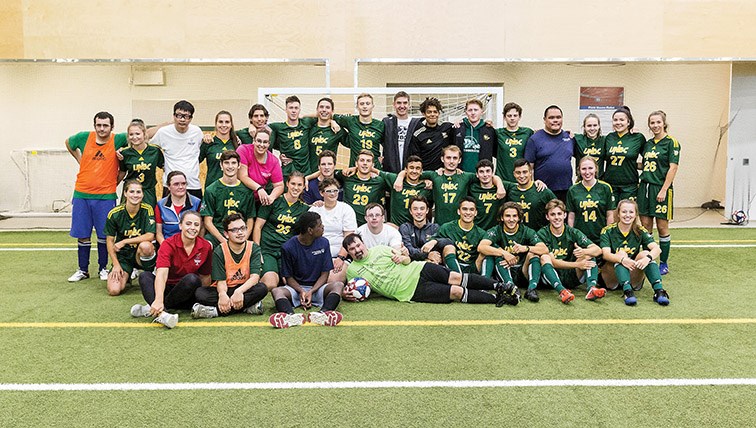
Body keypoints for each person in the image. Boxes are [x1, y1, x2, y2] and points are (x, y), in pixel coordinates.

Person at [343, 234, 518, 306]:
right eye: (352, 249)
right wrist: (346, 295)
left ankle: (500, 286)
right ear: (349, 252)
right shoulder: (352, 271)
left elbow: (406, 259)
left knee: (457, 277)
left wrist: (403, 258)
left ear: (363, 243)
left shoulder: (380, 249)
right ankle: (497, 298)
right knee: (456, 292)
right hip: (410, 291)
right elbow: (350, 290)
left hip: (419, 269)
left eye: (358, 245)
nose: (357, 250)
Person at [65, 111, 129, 282]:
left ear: (112, 127)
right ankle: (83, 270)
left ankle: (103, 268)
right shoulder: (83, 137)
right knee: (82, 233)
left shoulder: (118, 139)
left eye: (105, 125)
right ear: (94, 126)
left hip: (106, 197)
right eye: (98, 125)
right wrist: (80, 159)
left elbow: (141, 133)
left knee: (104, 234)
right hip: (82, 194)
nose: (102, 129)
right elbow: (68, 143)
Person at [131, 210, 212, 329]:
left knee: (192, 279)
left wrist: (203, 298)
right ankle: (162, 312)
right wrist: (158, 299)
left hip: (187, 292)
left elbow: (205, 276)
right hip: (166, 288)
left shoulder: (206, 246)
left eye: (196, 225)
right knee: (145, 276)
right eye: (188, 223)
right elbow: (162, 274)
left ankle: (152, 309)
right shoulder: (168, 244)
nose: (192, 228)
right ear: (180, 225)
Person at [395, 145, 505, 226]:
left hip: (460, 225)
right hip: (439, 225)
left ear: (459, 160)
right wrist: (400, 177)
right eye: (448, 158)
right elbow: (413, 172)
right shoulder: (434, 175)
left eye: (455, 158)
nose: (451, 161)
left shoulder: (466, 176)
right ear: (442, 159)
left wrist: (499, 185)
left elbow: (487, 176)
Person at [270, 212, 345, 328]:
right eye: (320, 226)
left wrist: (311, 291)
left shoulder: (324, 242)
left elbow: (325, 274)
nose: (323, 227)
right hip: (296, 289)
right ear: (310, 230)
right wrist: (301, 291)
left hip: (317, 287)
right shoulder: (288, 247)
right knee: (277, 291)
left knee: (338, 285)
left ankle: (323, 314)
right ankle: (290, 316)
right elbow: (288, 278)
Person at [191, 213, 268, 318]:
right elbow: (220, 281)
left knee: (262, 288)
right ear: (226, 234)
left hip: (244, 288)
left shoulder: (253, 248)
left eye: (242, 228)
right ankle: (247, 307)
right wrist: (222, 295)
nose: (240, 233)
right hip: (225, 288)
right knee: (200, 293)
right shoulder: (219, 251)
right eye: (235, 230)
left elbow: (254, 277)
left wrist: (239, 291)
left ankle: (214, 312)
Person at [600, 199, 670, 306]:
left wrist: (648, 258)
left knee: (645, 254)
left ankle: (659, 291)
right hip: (611, 278)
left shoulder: (640, 230)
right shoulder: (608, 230)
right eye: (624, 212)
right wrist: (622, 259)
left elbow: (657, 249)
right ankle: (627, 292)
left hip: (632, 275)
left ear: (636, 214)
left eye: (631, 212)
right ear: (618, 213)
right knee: (622, 253)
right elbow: (606, 254)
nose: (627, 215)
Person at [536, 199, 604, 303]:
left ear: (565, 215)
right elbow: (553, 262)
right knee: (545, 258)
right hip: (552, 276)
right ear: (547, 217)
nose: (556, 217)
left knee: (589, 255)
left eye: (559, 214)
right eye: (552, 214)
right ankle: (562, 291)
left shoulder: (573, 232)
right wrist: (578, 264)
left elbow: (598, 250)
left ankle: (592, 288)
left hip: (571, 276)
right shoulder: (542, 233)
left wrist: (584, 252)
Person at [638, 111, 680, 275]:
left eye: (658, 122)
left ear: (664, 123)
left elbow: (673, 167)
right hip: (645, 187)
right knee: (645, 227)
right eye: (652, 123)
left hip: (660, 188)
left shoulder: (671, 143)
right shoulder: (648, 144)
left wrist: (664, 189)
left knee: (662, 227)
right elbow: (647, 164)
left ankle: (663, 262)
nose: (655, 125)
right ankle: (648, 259)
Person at [252, 172, 310, 290]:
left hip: (286, 252)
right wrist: (257, 252)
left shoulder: (305, 209)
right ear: (287, 184)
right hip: (268, 249)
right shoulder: (273, 201)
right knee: (271, 283)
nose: (296, 187)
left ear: (304, 187)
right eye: (293, 183)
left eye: (299, 185)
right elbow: (257, 226)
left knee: (291, 281)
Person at [478, 202, 549, 296]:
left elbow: (544, 249)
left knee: (533, 254)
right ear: (502, 218)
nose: (511, 219)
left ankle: (531, 289)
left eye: (514, 216)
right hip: (504, 270)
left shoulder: (526, 231)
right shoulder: (496, 230)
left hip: (522, 271)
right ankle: (509, 286)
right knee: (493, 253)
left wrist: (526, 248)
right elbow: (481, 247)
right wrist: (504, 253)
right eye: (507, 216)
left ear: (519, 218)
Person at [104, 180, 156, 296]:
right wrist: (116, 264)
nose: (135, 195)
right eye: (131, 191)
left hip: (140, 253)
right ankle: (126, 276)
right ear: (125, 194)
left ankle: (149, 276)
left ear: (142, 194)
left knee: (146, 246)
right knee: (114, 290)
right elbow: (110, 241)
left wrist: (124, 241)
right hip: (124, 256)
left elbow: (150, 235)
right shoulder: (114, 214)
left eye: (138, 192)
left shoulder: (147, 210)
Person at [200, 150, 257, 247]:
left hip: (239, 233)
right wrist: (223, 241)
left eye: (233, 163)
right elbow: (208, 221)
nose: (230, 166)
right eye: (226, 163)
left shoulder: (247, 191)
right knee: (206, 245)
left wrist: (243, 239)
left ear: (239, 165)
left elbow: (250, 220)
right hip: (218, 234)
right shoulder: (211, 190)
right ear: (221, 166)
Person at [150, 100, 204, 199]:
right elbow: (145, 140)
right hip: (170, 185)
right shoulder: (163, 132)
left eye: (186, 116)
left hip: (192, 184)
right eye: (179, 115)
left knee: (195, 214)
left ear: (191, 118)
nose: (182, 119)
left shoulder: (197, 132)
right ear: (174, 116)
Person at [524, 105, 575, 202]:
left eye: (558, 117)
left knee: (563, 217)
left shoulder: (569, 138)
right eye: (551, 118)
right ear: (544, 120)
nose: (555, 120)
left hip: (566, 190)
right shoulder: (535, 139)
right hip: (543, 190)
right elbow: (528, 168)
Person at [423, 197, 488, 274]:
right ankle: (458, 277)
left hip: (472, 268)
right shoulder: (447, 228)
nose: (468, 212)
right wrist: (433, 242)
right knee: (449, 247)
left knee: (486, 251)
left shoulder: (481, 233)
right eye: (464, 209)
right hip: (450, 269)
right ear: (458, 211)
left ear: (476, 212)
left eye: (471, 210)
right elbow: (432, 244)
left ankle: (485, 280)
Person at [567, 156, 616, 245]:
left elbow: (610, 215)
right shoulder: (573, 190)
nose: (587, 172)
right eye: (584, 169)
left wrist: (607, 235)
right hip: (580, 237)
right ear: (579, 170)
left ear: (596, 169)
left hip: (600, 237)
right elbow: (571, 216)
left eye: (590, 168)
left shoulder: (605, 188)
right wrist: (572, 235)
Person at [602, 106, 646, 202]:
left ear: (628, 122)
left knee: (628, 215)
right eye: (615, 120)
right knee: (612, 215)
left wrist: (637, 166)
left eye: (622, 120)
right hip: (611, 184)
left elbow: (648, 157)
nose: (618, 122)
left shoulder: (638, 137)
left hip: (629, 185)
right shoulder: (609, 138)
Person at [335, 150, 390, 225]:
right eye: (362, 160)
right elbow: (328, 172)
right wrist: (351, 169)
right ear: (356, 163)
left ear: (373, 165)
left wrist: (402, 174)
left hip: (370, 224)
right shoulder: (347, 176)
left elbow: (396, 179)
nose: (365, 163)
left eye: (368, 161)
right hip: (348, 223)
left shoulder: (380, 181)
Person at [117, 119, 164, 208]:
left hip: (148, 191)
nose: (134, 137)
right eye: (131, 134)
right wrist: (112, 187)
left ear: (144, 134)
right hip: (131, 191)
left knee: (148, 218)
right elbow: (122, 172)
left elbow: (164, 167)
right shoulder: (124, 153)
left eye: (137, 134)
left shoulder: (155, 151)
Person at [308, 177, 357, 259]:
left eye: (335, 191)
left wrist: (340, 258)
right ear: (321, 193)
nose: (333, 194)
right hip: (317, 253)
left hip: (340, 254)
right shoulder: (314, 210)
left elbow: (348, 238)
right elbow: (309, 235)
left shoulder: (346, 209)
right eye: (329, 191)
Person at [379, 155, 433, 226]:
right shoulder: (395, 180)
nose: (414, 171)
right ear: (406, 170)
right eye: (411, 168)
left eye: (417, 168)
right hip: (397, 228)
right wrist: (400, 176)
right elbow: (375, 172)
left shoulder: (426, 187)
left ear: (421, 171)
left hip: (416, 230)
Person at [504, 159, 557, 231]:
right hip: (517, 235)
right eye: (518, 173)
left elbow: (558, 208)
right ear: (514, 174)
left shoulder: (542, 190)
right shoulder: (510, 189)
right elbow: (490, 178)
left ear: (530, 173)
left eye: (525, 172)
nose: (521, 176)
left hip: (538, 235)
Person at [334, 93, 384, 167]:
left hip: (374, 168)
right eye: (362, 104)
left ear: (373, 106)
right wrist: (332, 121)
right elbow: (328, 115)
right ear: (357, 107)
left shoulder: (380, 125)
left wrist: (383, 158)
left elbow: (388, 145)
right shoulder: (350, 121)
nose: (365, 106)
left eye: (368, 103)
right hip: (354, 168)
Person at [236, 128, 285, 206]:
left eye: (265, 142)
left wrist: (271, 197)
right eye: (259, 141)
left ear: (269, 144)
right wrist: (259, 188)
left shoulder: (274, 161)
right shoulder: (243, 150)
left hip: (258, 200)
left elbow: (279, 185)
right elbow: (242, 176)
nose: (261, 145)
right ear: (254, 141)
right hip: (239, 197)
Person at [269, 95, 314, 176]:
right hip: (288, 171)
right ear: (286, 110)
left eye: (296, 108)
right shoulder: (278, 127)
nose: (293, 111)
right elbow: (261, 125)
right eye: (291, 108)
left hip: (305, 171)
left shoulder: (306, 123)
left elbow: (322, 115)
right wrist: (251, 125)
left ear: (299, 110)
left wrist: (332, 122)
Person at [408, 97, 455, 171]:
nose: (432, 114)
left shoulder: (447, 128)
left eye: (435, 112)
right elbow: (415, 159)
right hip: (427, 174)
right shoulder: (418, 135)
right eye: (429, 112)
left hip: (443, 174)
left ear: (439, 113)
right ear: (424, 114)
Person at [155, 171, 202, 244]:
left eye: (183, 184)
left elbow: (201, 229)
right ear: (168, 186)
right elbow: (159, 233)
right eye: (176, 184)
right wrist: (166, 247)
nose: (181, 187)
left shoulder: (197, 203)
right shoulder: (160, 205)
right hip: (168, 245)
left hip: (190, 245)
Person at [382, 91, 422, 173]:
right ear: (394, 104)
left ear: (409, 105)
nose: (402, 106)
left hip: (412, 170)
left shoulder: (417, 123)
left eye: (405, 103)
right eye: (399, 103)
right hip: (390, 169)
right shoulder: (387, 123)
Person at [199, 110, 239, 191]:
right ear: (216, 124)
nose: (224, 125)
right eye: (220, 122)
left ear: (231, 125)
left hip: (233, 189)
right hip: (212, 189)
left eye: (227, 122)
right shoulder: (208, 143)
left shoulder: (237, 144)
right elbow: (195, 161)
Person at [494, 102, 534, 182]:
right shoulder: (498, 133)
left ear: (519, 117)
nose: (512, 118)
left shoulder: (527, 132)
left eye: (515, 115)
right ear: (504, 117)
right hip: (503, 178)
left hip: (522, 178)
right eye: (509, 116)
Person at [454, 99, 496, 172]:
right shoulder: (457, 128)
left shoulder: (490, 130)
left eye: (476, 110)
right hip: (461, 175)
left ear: (481, 112)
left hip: (483, 175)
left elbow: (495, 151)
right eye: (470, 110)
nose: (473, 113)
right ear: (466, 112)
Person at [307, 97, 345, 173]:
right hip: (310, 174)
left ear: (332, 111)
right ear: (317, 109)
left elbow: (352, 144)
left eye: (327, 107)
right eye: (321, 107)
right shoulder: (309, 128)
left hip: (328, 174)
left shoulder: (336, 130)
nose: (324, 110)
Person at [399, 196, 441, 263]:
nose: (419, 212)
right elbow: (409, 250)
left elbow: (446, 242)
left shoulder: (435, 228)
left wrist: (435, 241)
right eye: (415, 209)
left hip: (432, 264)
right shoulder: (405, 228)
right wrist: (427, 255)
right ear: (410, 211)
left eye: (422, 209)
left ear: (427, 210)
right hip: (411, 265)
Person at [470, 159, 504, 231]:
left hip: (496, 230)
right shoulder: (472, 188)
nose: (485, 175)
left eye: (488, 171)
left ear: (492, 173)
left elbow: (520, 186)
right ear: (477, 174)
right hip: (477, 229)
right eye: (481, 172)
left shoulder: (504, 187)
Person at [574, 113, 605, 177]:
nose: (592, 128)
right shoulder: (577, 139)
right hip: (582, 180)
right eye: (589, 126)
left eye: (595, 125)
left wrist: (630, 131)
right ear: (584, 127)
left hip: (599, 180)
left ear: (599, 126)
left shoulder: (605, 140)